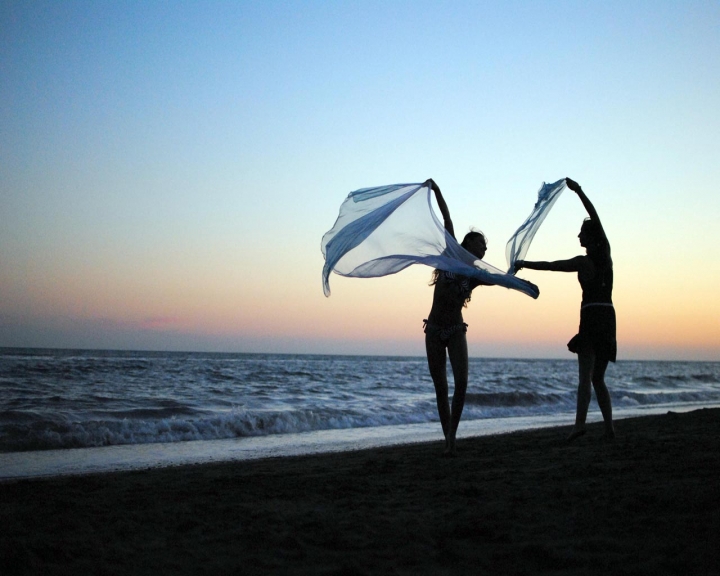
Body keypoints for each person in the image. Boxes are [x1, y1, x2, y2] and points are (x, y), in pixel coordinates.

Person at [514, 177, 616, 441]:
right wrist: (525, 264)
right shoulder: (597, 257)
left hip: (593, 316)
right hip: (607, 316)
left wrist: (579, 190)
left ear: (591, 237)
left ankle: (579, 425)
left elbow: (593, 217)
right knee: (597, 378)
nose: (578, 235)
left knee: (586, 377)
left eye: (582, 233)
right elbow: (552, 264)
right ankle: (608, 428)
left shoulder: (593, 256)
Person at [423, 178, 491, 456]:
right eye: (481, 243)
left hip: (455, 329)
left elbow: (498, 280)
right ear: (469, 242)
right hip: (434, 328)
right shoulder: (451, 252)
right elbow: (446, 217)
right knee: (441, 387)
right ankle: (447, 440)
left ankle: (452, 434)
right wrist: (437, 190)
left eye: (486, 247)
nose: (484, 248)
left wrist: (520, 282)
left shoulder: (475, 275)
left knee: (461, 383)